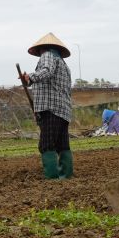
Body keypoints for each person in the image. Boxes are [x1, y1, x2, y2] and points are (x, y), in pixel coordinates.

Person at [19, 32, 74, 179]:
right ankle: (66, 176)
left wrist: (30, 77)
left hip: (51, 109)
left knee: (46, 144)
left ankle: (53, 179)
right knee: (62, 145)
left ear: (42, 48)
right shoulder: (64, 65)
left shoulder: (48, 56)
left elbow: (47, 72)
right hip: (64, 111)